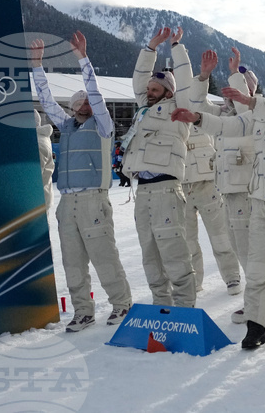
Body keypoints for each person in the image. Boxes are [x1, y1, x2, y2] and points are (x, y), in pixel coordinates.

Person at [172, 60, 265, 349]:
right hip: (260, 198)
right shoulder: (258, 113)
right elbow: (230, 124)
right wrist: (198, 120)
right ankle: (256, 324)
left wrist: (247, 94)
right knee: (257, 267)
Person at [30, 32, 133, 330]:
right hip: (67, 204)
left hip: (93, 200)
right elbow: (47, 102)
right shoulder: (66, 126)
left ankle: (122, 304)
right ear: (74, 107)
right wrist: (37, 66)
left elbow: (97, 95)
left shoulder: (103, 127)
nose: (87, 104)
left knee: (104, 256)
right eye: (81, 102)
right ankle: (83, 311)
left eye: (89, 102)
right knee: (72, 262)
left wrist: (82, 59)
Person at [186, 47, 265, 324]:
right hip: (227, 190)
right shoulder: (222, 113)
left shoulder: (258, 111)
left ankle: (261, 297)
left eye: (241, 83)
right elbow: (197, 107)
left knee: (250, 250)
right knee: (243, 249)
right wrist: (204, 75)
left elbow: (244, 107)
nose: (233, 89)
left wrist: (234, 73)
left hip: (249, 191)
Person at [121, 27, 195, 308]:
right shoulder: (144, 108)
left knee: (174, 253)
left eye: (154, 89)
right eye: (148, 89)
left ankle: (185, 309)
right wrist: (150, 48)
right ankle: (161, 308)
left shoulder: (180, 109)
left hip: (167, 188)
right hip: (144, 191)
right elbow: (140, 78)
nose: (148, 92)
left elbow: (186, 82)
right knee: (150, 255)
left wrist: (176, 47)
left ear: (168, 92)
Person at [170, 30, 242, 296]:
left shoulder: (201, 104)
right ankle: (194, 281)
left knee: (221, 234)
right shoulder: (170, 107)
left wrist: (178, 46)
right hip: (181, 182)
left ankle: (232, 276)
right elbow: (181, 72)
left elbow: (187, 72)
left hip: (207, 180)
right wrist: (175, 46)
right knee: (187, 240)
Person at [34, 109, 55, 207]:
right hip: (41, 199)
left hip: (36, 202)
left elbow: (34, 177)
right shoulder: (39, 138)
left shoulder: (37, 143)